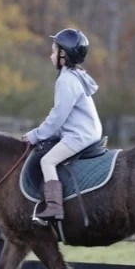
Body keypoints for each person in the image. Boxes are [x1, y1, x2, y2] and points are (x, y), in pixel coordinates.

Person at [23, 28, 103, 225]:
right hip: (83, 132)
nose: (51, 54)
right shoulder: (74, 76)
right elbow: (66, 117)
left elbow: (58, 117)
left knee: (48, 161)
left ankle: (53, 207)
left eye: (54, 50)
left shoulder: (66, 81)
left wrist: (35, 135)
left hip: (79, 136)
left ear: (63, 54)